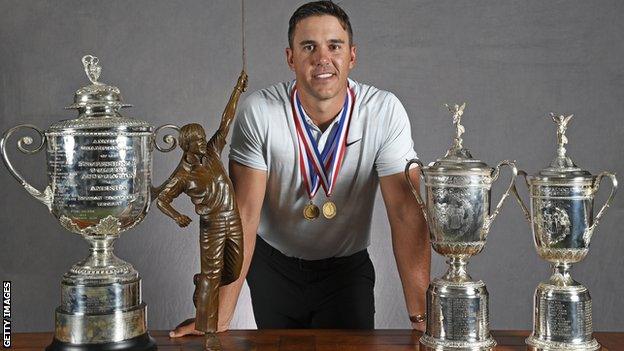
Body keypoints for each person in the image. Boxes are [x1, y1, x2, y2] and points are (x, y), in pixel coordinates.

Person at [170, 1, 429, 336]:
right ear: (291, 58)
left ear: (351, 55)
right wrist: (218, 315)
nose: (323, 58)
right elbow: (244, 216)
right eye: (309, 47)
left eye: (334, 46)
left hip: (345, 270)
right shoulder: (259, 112)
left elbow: (407, 213)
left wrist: (423, 319)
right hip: (272, 267)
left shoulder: (384, 111)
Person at [157, 71, 248, 336]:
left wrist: (237, 90)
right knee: (212, 276)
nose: (201, 142)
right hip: (212, 226)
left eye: (201, 137)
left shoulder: (212, 152)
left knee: (232, 272)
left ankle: (202, 284)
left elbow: (226, 122)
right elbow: (162, 198)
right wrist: (177, 216)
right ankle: (209, 334)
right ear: (185, 145)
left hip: (233, 219)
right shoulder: (183, 175)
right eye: (195, 140)